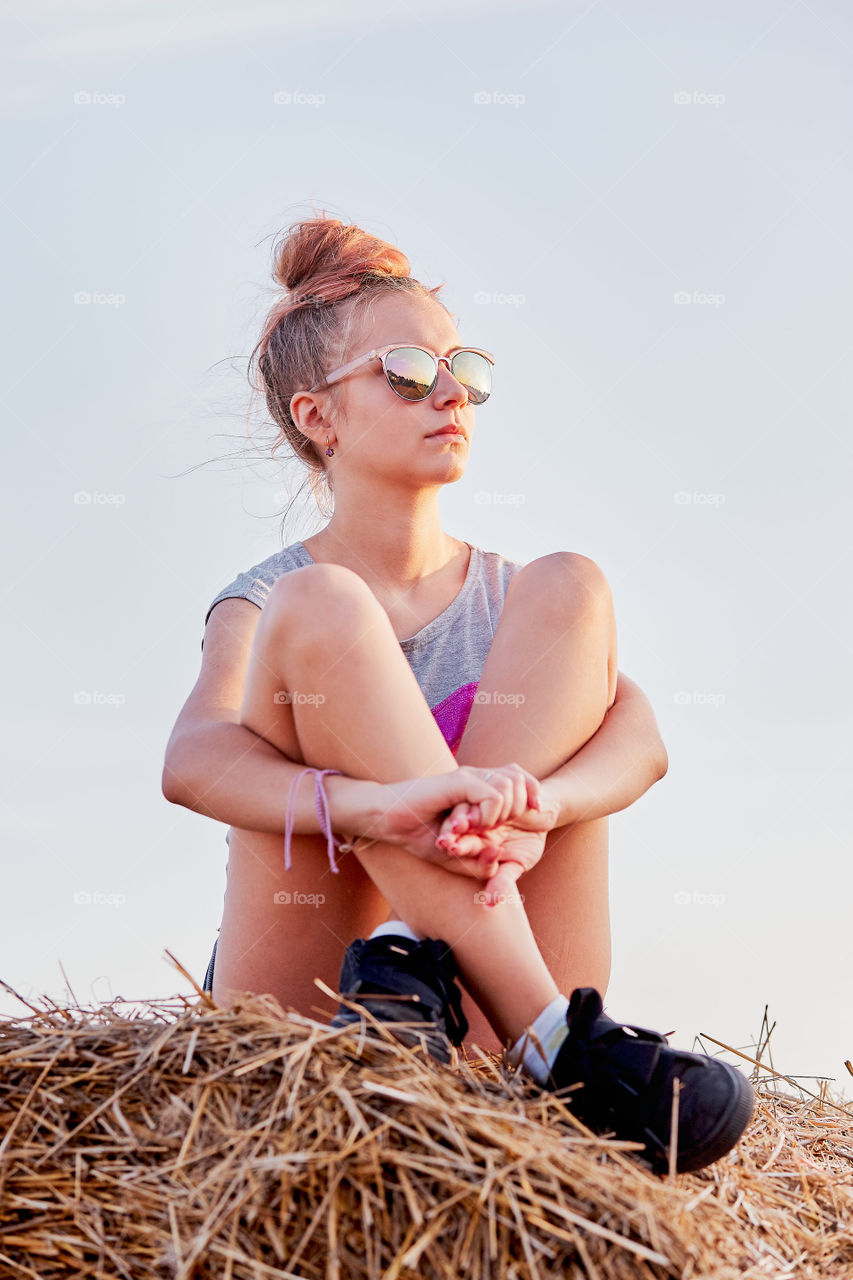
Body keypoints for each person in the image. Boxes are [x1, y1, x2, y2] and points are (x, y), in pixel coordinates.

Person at [162, 213, 754, 1174]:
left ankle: (476, 990)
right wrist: (381, 810)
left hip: (470, 1031)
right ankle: (558, 1042)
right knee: (323, 606)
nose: (450, 393)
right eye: (405, 370)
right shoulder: (270, 597)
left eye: (465, 368)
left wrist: (537, 806)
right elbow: (191, 760)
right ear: (319, 417)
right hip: (319, 1013)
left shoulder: (524, 601)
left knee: (574, 580)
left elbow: (638, 738)